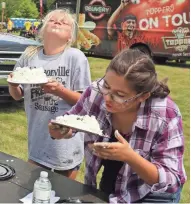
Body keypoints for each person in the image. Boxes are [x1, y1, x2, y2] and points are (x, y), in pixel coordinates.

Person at [49, 49, 186, 203]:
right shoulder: (96, 91)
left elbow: (170, 180)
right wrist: (59, 130)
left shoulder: (165, 114)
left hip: (153, 194)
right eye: (106, 85)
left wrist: (130, 157)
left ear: (142, 96)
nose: (106, 97)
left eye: (120, 95)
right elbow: (71, 121)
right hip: (115, 180)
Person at [8, 9, 91, 180]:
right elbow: (17, 95)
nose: (57, 22)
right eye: (52, 20)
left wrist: (59, 90)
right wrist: (13, 85)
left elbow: (86, 101)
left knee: (62, 193)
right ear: (43, 30)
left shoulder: (76, 57)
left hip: (67, 143)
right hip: (38, 141)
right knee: (32, 190)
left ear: (70, 37)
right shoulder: (29, 55)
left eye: (64, 22)